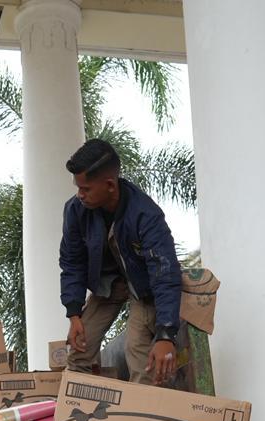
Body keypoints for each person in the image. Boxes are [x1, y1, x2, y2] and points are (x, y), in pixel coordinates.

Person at [59, 138, 184, 386]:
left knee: (139, 356)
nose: (79, 195)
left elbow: (165, 274)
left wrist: (166, 334)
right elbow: (72, 262)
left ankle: (139, 420)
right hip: (107, 285)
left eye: (85, 189)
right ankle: (78, 417)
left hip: (143, 288)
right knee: (79, 352)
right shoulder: (75, 210)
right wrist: (74, 314)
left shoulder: (146, 215)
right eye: (78, 188)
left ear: (109, 185)